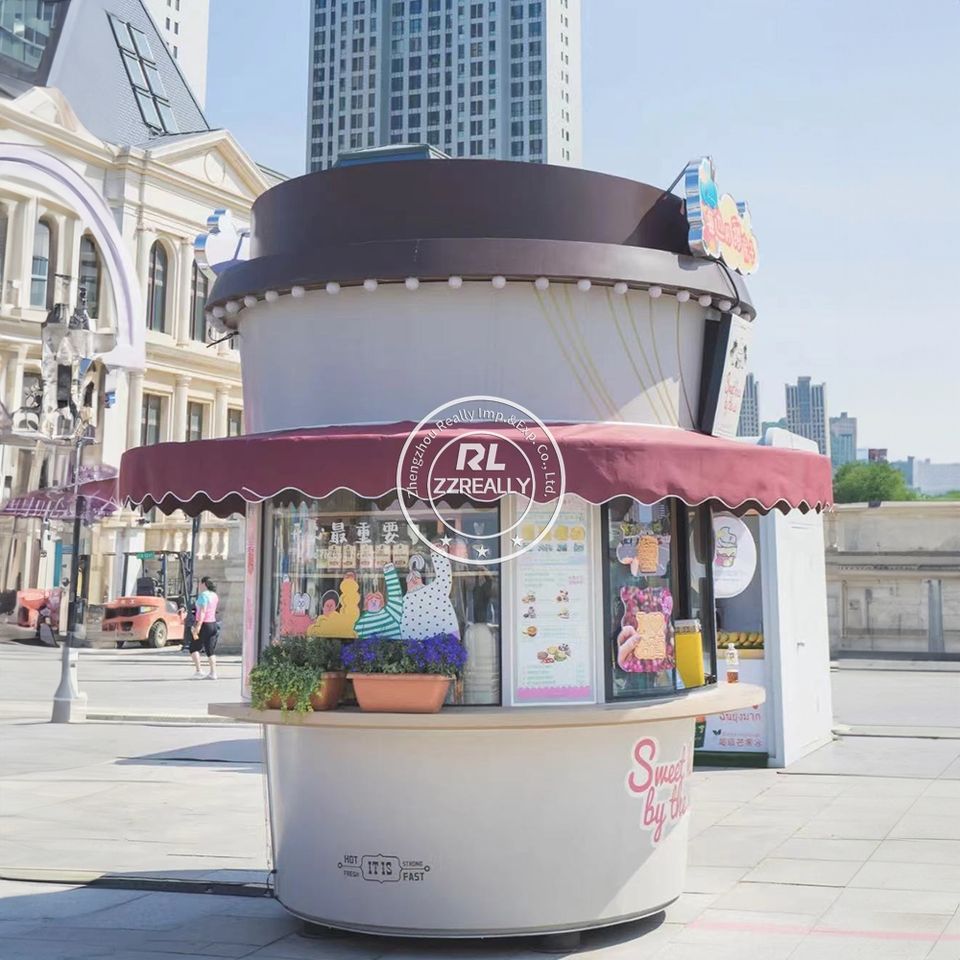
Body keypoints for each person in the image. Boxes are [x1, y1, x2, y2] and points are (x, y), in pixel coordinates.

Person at [189, 576, 221, 680]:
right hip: (213, 624)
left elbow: (202, 611)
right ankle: (213, 673)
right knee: (210, 650)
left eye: (200, 583)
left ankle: (199, 670)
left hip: (204, 624)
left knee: (194, 648)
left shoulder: (203, 595)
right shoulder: (215, 595)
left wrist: (198, 626)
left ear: (204, 584)